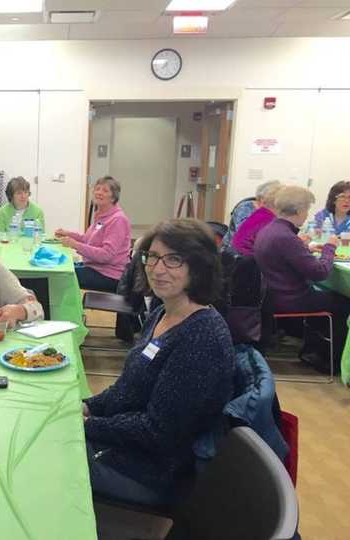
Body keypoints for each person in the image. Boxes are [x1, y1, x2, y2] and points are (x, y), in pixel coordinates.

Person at [82, 219, 236, 505]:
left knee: (41, 460)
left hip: (153, 472)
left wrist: (88, 426)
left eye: (173, 259)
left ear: (198, 267)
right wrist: (88, 406)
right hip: (129, 448)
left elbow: (158, 432)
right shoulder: (163, 313)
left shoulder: (202, 337)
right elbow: (127, 389)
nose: (158, 269)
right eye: (152, 257)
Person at [255, 186, 349, 372]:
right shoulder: (286, 237)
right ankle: (332, 360)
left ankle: (315, 351)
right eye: (306, 210)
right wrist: (330, 247)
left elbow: (287, 257)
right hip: (291, 299)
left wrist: (304, 248)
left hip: (273, 296)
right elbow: (320, 272)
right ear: (298, 210)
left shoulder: (271, 229)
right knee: (343, 302)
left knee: (328, 297)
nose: (307, 215)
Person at [55, 176, 131, 292]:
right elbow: (87, 239)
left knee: (60, 276)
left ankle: (67, 309)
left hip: (109, 275)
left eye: (105, 190)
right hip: (94, 267)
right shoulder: (101, 215)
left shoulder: (117, 219)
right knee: (60, 267)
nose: (99, 192)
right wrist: (67, 234)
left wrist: (75, 245)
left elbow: (106, 255)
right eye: (97, 189)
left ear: (113, 197)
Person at [221, 180, 282, 251]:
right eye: (275, 199)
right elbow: (245, 236)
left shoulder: (274, 210)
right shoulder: (245, 208)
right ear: (263, 199)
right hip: (234, 252)